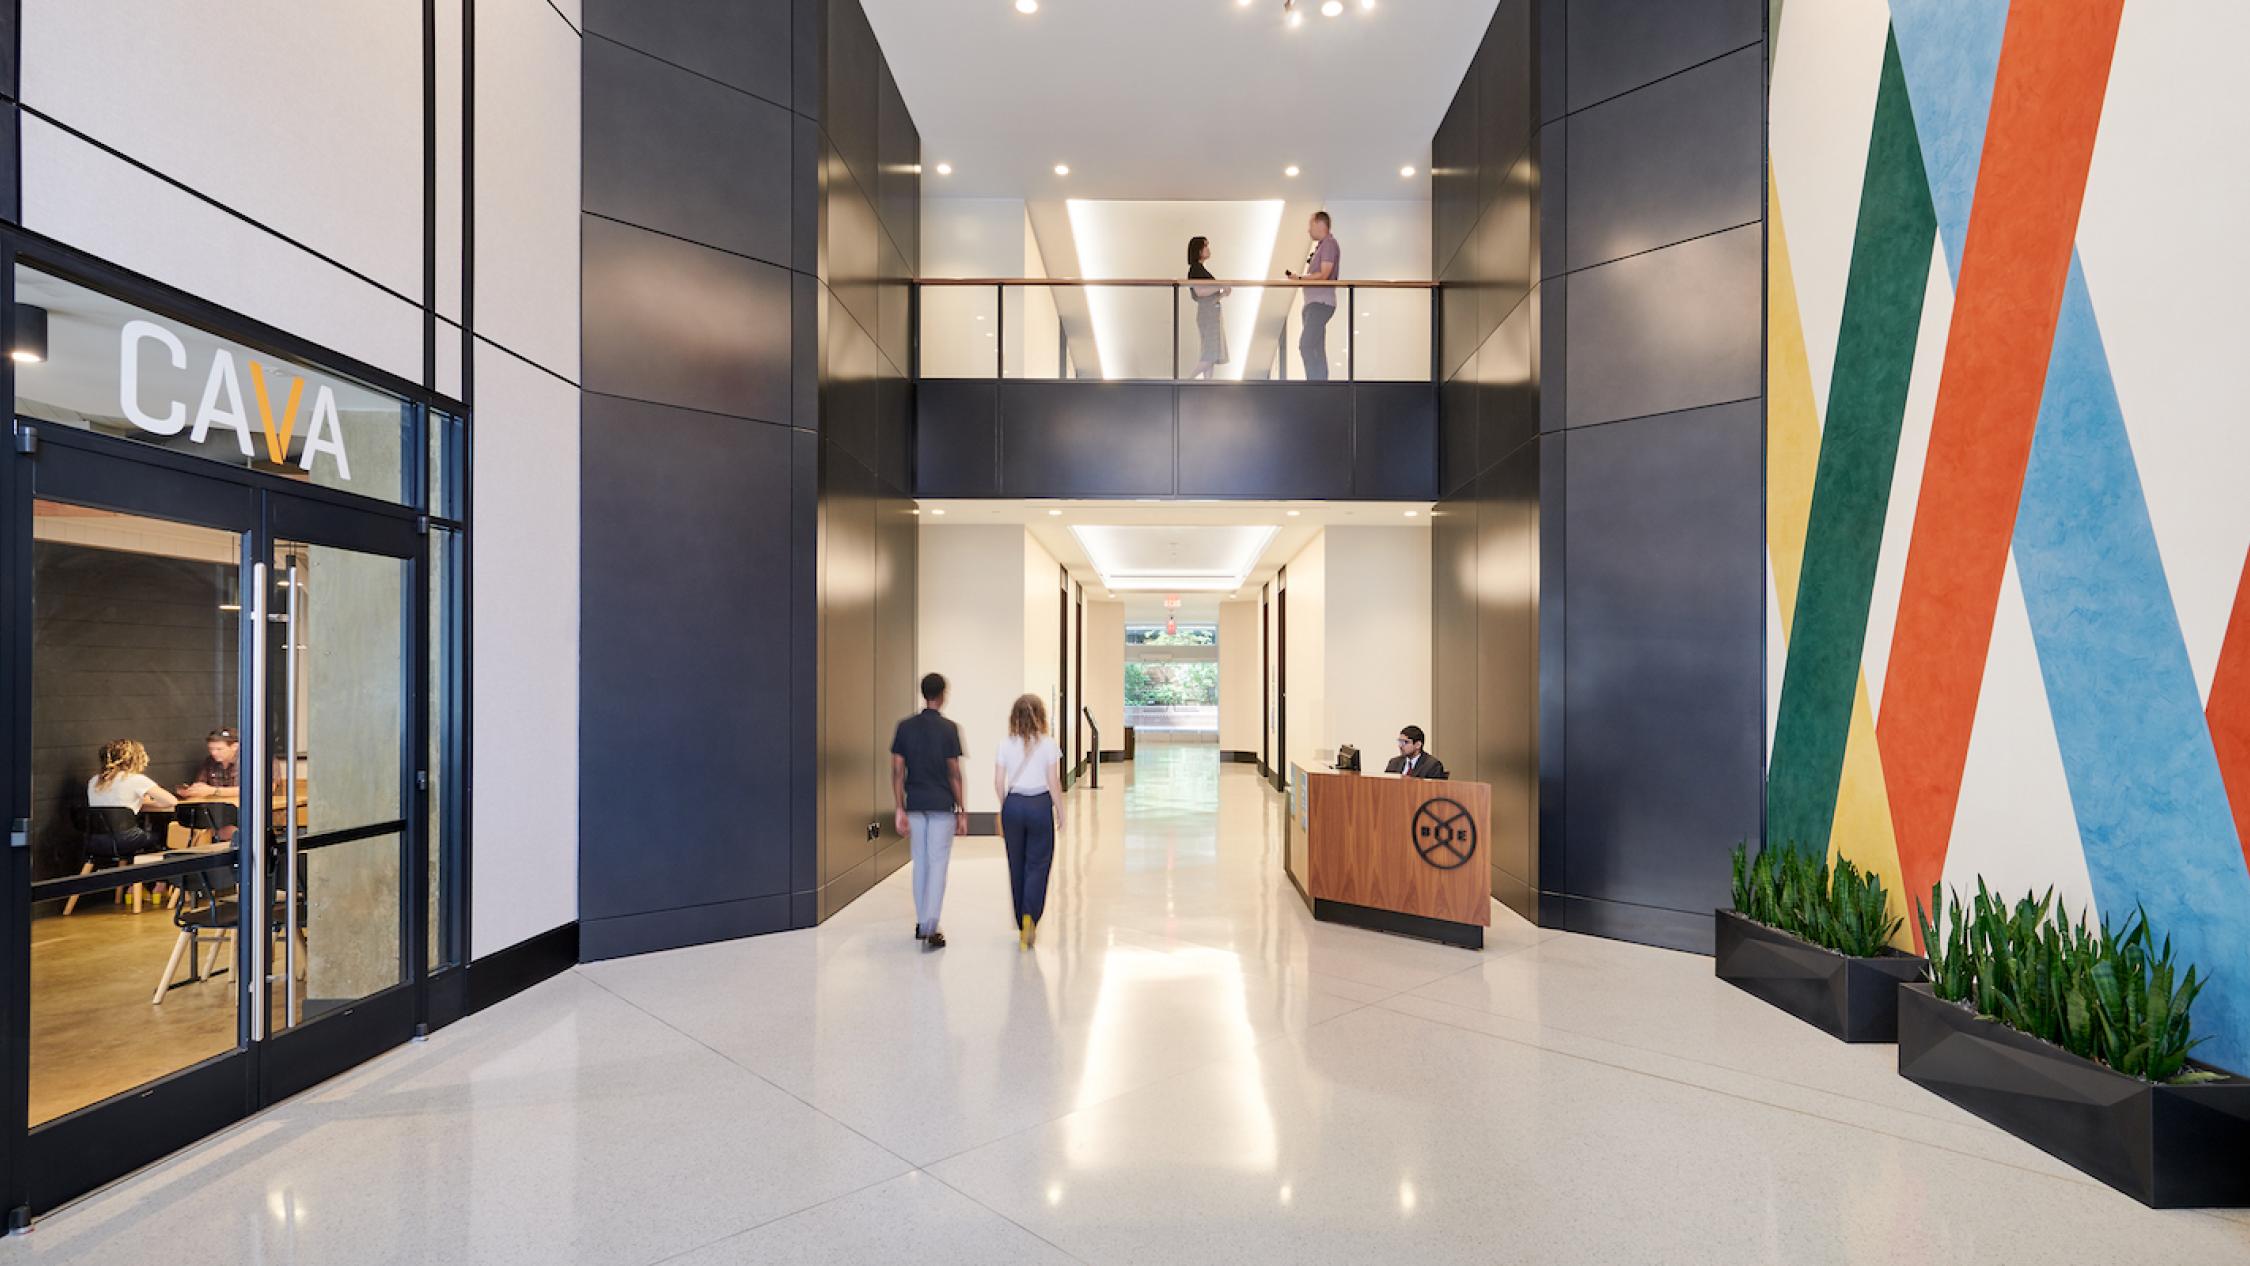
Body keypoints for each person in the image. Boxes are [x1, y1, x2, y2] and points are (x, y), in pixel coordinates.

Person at [892, 673, 967, 949]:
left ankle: (922, 920)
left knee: (920, 862)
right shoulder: (949, 729)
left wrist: (899, 807)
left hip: (915, 804)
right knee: (938, 864)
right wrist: (961, 809)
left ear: (923, 694)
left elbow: (898, 771)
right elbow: (954, 773)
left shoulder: (904, 727)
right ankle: (931, 925)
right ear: (943, 694)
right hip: (941, 806)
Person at [995, 693, 1066, 950]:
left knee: (1017, 863)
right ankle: (1030, 917)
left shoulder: (1005, 744)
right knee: (1038, 863)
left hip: (1013, 804)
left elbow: (998, 782)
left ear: (1014, 716)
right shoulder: (1048, 744)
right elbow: (1054, 782)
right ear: (1041, 716)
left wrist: (1006, 807)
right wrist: (1060, 810)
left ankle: (1020, 918)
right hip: (1038, 805)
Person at [85, 738, 178, 856]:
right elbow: (171, 801)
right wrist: (144, 802)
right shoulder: (135, 779)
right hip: (126, 840)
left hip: (95, 840)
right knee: (162, 835)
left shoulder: (94, 781)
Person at [1283, 210, 1342, 380]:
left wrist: (1300, 278)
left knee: (1306, 345)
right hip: (1314, 303)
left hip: (1321, 303)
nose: (1308, 230)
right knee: (1316, 347)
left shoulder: (1329, 244)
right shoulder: (1322, 246)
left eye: (1310, 225)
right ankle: (1319, 383)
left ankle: (1315, 383)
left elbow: (1324, 274)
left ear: (1319, 223)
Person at [177, 726, 242, 841]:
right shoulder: (210, 762)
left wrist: (214, 791)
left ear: (235, 746)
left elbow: (260, 789)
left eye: (219, 749)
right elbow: (201, 784)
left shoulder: (253, 760)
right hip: (217, 814)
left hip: (242, 813)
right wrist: (191, 791)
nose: (213, 753)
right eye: (211, 749)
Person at [1186, 235, 1231, 380]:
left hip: (1210, 313)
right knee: (1210, 355)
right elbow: (1200, 292)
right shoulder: (1195, 269)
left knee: (1210, 353)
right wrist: (1220, 286)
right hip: (1208, 314)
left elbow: (1207, 293)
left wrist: (1222, 292)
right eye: (1205, 246)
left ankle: (1207, 385)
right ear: (1198, 250)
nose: (1208, 248)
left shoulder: (1199, 269)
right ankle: (1187, 380)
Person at [1383, 725, 1449, 779]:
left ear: (1418, 745)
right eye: (1400, 741)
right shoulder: (1394, 763)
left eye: (1405, 742)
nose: (1400, 746)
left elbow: (1434, 791)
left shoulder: (1432, 765)